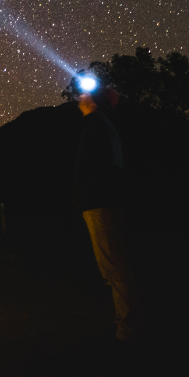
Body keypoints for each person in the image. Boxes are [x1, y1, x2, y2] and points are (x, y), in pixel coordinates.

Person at [74, 86, 147, 343]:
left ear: (95, 102)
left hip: (101, 204)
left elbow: (105, 167)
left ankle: (129, 331)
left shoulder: (98, 127)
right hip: (103, 203)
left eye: (85, 95)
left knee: (115, 269)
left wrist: (86, 194)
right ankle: (125, 324)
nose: (79, 97)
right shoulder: (101, 126)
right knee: (114, 268)